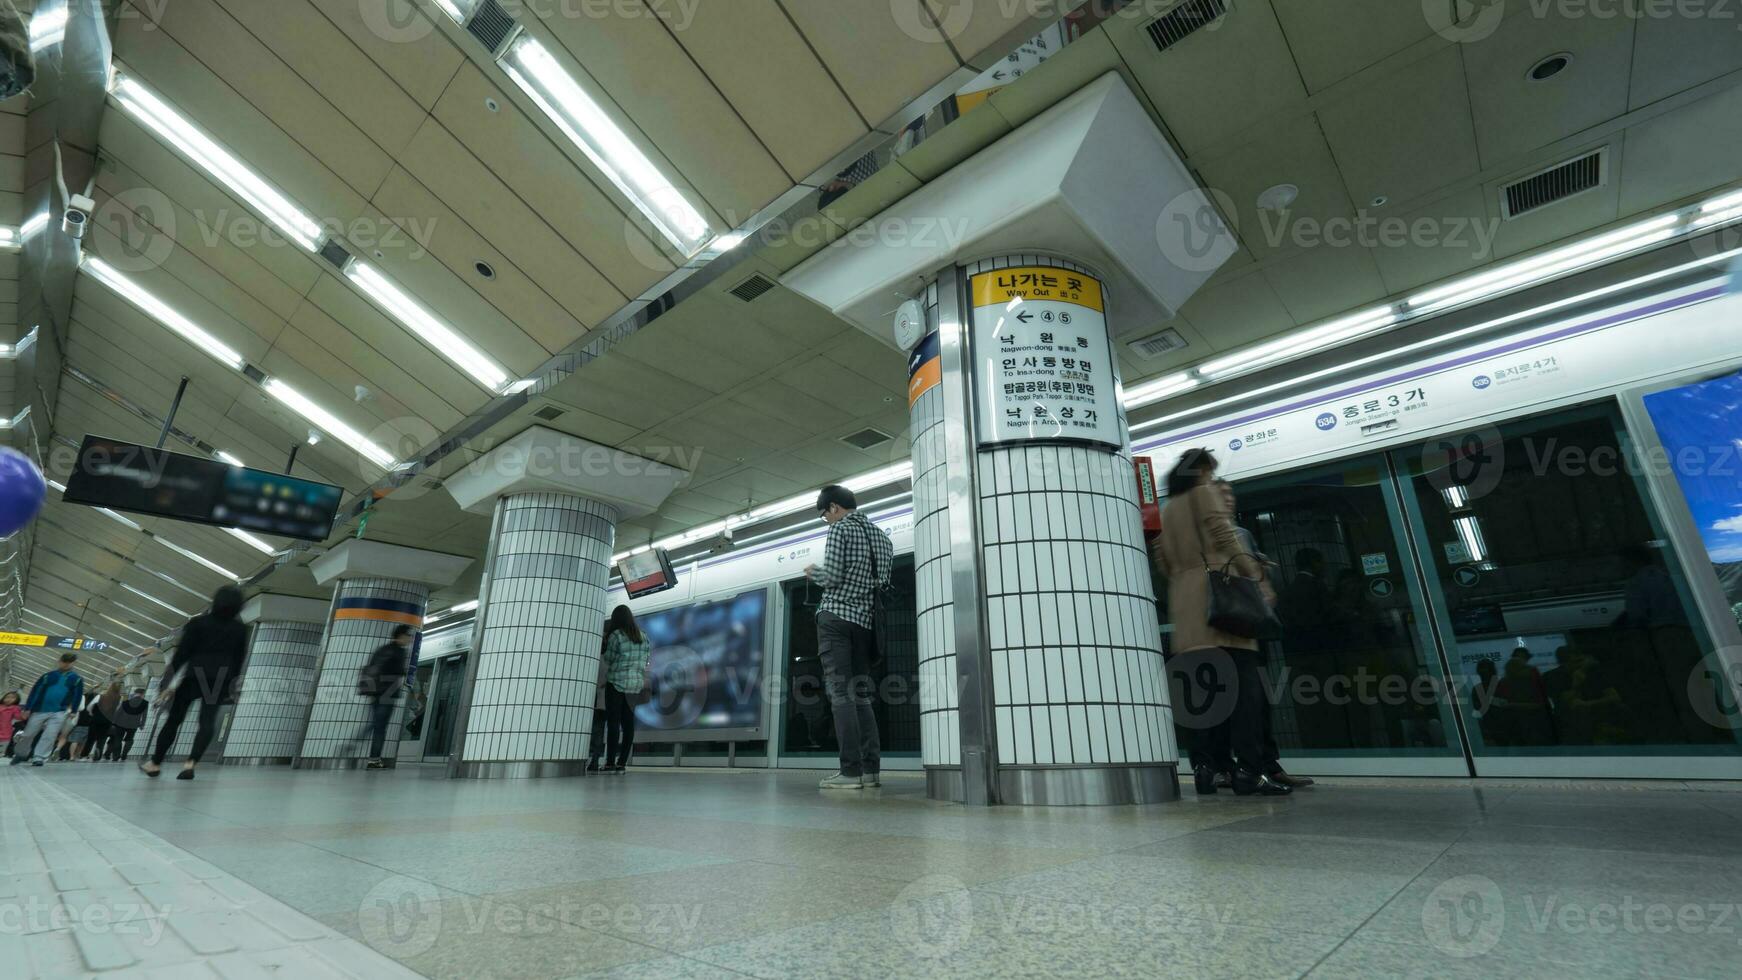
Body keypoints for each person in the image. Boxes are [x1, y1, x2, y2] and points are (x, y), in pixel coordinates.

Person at [1151, 450, 1289, 797]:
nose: (1212, 478)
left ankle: (1205, 771)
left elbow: (1162, 559)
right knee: (1245, 695)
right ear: (1199, 471)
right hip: (1222, 607)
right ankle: (1249, 772)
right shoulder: (1204, 494)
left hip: (1187, 609)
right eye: (1209, 471)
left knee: (1204, 700)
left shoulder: (1169, 510)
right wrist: (1254, 574)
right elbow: (1224, 535)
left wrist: (1185, 580)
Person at [1215, 480, 1314, 790]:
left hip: (1251, 624)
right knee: (1239, 700)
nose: (1228, 500)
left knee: (1258, 699)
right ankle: (1242, 766)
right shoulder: (1209, 535)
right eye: (1220, 495)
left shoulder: (1241, 533)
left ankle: (1267, 764)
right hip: (1229, 627)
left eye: (1230, 494)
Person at [804, 484, 894, 790]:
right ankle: (870, 770)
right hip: (865, 624)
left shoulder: (840, 529)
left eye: (824, 515)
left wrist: (813, 572)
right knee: (860, 695)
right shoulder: (883, 538)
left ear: (833, 508)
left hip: (836, 620)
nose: (826, 521)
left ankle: (850, 772)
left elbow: (833, 577)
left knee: (840, 694)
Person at [142, 585, 248, 779]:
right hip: (220, 680)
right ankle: (190, 763)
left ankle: (155, 763)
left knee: (174, 720)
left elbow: (181, 655)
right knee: (206, 722)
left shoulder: (198, 623)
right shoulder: (240, 629)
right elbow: (239, 659)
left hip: (193, 677)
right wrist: (233, 685)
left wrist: (166, 683)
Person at [595, 605, 652, 774]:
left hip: (616, 683)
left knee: (613, 723)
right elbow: (647, 659)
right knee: (628, 724)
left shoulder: (616, 636)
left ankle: (610, 762)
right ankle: (622, 763)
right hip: (634, 686)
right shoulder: (643, 637)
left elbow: (609, 659)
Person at [350, 624, 413, 770]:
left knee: (376, 723)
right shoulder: (399, 652)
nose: (410, 639)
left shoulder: (382, 649)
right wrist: (405, 672)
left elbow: (371, 668)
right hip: (388, 693)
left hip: (374, 692)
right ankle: (373, 758)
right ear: (401, 636)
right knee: (379, 726)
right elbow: (397, 670)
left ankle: (364, 746)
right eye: (408, 636)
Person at [11, 653, 85, 767]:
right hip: (39, 710)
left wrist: (74, 710)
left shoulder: (76, 679)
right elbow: (35, 692)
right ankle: (20, 754)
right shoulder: (47, 676)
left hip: (60, 711)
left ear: (73, 663)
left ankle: (39, 757)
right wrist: (28, 708)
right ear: (59, 661)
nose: (66, 664)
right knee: (28, 734)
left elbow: (77, 695)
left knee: (50, 735)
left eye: (69, 662)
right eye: (64, 661)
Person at [106, 688, 149, 760]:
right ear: (142, 694)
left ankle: (115, 757)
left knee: (118, 739)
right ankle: (124, 755)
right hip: (133, 725)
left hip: (120, 723)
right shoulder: (145, 703)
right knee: (129, 740)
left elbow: (118, 713)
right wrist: (142, 724)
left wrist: (113, 722)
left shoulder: (125, 702)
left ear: (135, 693)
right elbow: (144, 715)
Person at [0, 690, 23, 758]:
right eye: (7, 697)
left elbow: (18, 717)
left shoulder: (14, 708)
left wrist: (24, 714)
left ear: (16, 700)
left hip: (5, 731)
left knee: (2, 749)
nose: (9, 699)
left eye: (12, 698)